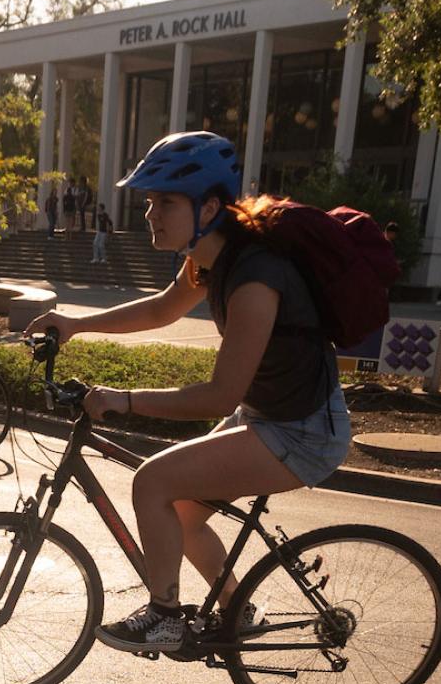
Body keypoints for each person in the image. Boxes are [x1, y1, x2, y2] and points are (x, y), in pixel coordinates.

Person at [26, 131, 351, 654]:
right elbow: (160, 309)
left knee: (152, 481)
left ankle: (164, 617)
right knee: (180, 511)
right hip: (267, 414)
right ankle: (237, 608)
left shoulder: (255, 278)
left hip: (304, 432)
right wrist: (74, 323)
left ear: (210, 207)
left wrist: (124, 399)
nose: (151, 213)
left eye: (165, 202)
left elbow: (219, 397)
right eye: (150, 201)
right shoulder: (209, 259)